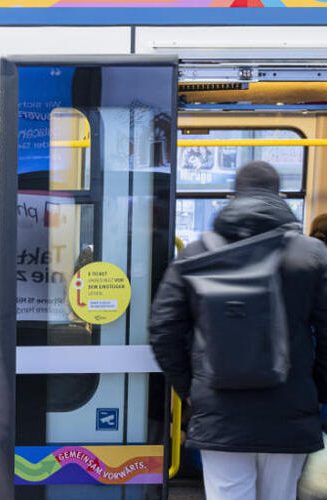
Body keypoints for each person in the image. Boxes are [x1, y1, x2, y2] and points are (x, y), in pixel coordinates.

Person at [150, 161, 327, 500]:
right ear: (281, 197)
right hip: (290, 407)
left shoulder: (196, 254)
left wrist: (190, 387)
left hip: (219, 408)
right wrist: (317, 390)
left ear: (232, 196)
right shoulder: (313, 254)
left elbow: (163, 329)